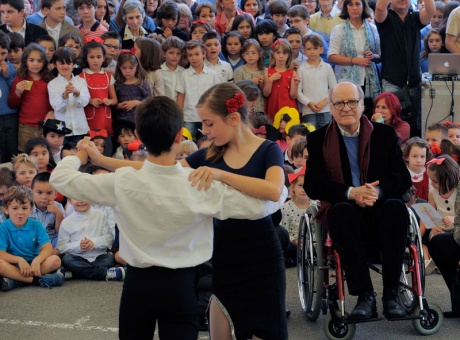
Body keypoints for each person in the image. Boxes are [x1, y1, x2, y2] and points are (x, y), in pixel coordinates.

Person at [49, 95, 287, 339]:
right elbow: (259, 207)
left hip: (138, 284)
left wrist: (80, 156)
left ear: (139, 137)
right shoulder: (199, 184)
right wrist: (281, 193)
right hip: (181, 285)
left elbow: (60, 179)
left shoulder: (122, 181)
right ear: (178, 138)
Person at [183, 82, 288, 339]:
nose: (205, 132)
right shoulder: (208, 153)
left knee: (269, 331)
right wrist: (101, 161)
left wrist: (221, 174)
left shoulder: (268, 149)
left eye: (209, 124)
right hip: (224, 257)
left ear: (232, 118)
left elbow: (273, 190)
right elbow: (162, 173)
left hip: (263, 256)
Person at [304, 81, 412, 320]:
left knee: (395, 207)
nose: (346, 107)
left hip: (380, 207)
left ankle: (392, 293)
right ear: (331, 108)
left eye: (352, 101)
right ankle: (365, 296)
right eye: (339, 103)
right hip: (345, 210)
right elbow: (313, 185)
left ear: (363, 105)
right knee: (341, 210)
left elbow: (402, 178)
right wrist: (351, 192)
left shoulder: (385, 135)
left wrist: (378, 192)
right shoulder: (318, 140)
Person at [375, 0, 435, 137]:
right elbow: (379, 7)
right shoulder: (385, 18)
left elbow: (431, 11)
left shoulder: (415, 18)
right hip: (392, 83)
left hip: (414, 83)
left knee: (416, 128)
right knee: (391, 128)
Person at [0, 185, 63, 291]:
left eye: (24, 208)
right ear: (6, 209)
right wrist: (19, 260)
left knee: (55, 260)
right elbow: (1, 253)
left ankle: (16, 280)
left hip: (35, 264)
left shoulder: (37, 225)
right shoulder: (3, 228)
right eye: (15, 208)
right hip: (14, 265)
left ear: (31, 208)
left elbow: (47, 248)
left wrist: (37, 261)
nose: (20, 213)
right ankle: (36, 280)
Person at [328, 0, 381, 118]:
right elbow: (331, 56)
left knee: (368, 116)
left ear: (363, 7)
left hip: (369, 81)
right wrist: (355, 60)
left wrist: (373, 56)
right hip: (346, 82)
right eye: (350, 4)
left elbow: (379, 55)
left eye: (358, 4)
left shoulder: (372, 28)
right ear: (346, 8)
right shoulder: (339, 29)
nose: (354, 8)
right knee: (350, 115)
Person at [56, 196, 122, 281]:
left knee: (109, 259)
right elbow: (61, 247)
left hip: (98, 256)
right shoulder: (66, 222)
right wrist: (78, 246)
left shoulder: (101, 216)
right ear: (69, 201)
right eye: (76, 197)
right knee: (67, 260)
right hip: (77, 257)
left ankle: (75, 273)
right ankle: (104, 273)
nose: (81, 201)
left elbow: (109, 239)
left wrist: (94, 242)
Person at [428, 155, 460, 318]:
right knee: (437, 244)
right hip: (448, 233)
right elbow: (431, 215)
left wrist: (455, 220)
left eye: (435, 181)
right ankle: (456, 299)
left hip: (457, 231)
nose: (432, 185)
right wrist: (434, 226)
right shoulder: (433, 192)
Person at [8, 43, 54, 153]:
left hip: (46, 126)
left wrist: (52, 111)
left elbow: (55, 102)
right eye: (31, 60)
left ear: (44, 62)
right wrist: (18, 93)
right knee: (26, 155)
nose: (35, 64)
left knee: (45, 155)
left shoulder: (49, 80)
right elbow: (12, 104)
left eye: (39, 61)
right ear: (25, 61)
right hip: (26, 127)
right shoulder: (20, 79)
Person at [176, 39, 219, 140]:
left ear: (204, 54)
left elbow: (216, 95)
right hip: (189, 118)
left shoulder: (212, 74)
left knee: (208, 143)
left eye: (197, 54)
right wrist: (180, 116)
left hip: (208, 117)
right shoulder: (184, 75)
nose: (194, 58)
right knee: (187, 143)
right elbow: (181, 96)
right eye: (190, 55)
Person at [48, 47, 91, 144]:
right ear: (55, 64)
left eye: (68, 63)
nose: (65, 66)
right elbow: (57, 107)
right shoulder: (52, 84)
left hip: (81, 129)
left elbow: (84, 102)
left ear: (74, 64)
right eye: (61, 63)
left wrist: (77, 93)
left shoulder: (80, 81)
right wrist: (65, 96)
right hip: (62, 132)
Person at [298, 33, 336, 129]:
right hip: (308, 111)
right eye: (309, 49)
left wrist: (325, 101)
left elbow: (333, 88)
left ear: (321, 49)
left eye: (315, 48)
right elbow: (298, 91)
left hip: (326, 109)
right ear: (304, 51)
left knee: (326, 136)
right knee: (311, 136)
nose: (312, 52)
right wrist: (309, 103)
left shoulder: (327, 67)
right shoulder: (301, 69)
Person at [263, 38, 300, 122]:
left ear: (288, 55)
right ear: (273, 54)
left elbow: (293, 96)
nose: (281, 56)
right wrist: (270, 80)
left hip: (288, 106)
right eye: (278, 52)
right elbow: (265, 93)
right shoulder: (267, 71)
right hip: (273, 105)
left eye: (284, 53)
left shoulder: (292, 73)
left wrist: (296, 84)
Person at [29, 172, 65, 250]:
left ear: (55, 194)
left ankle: (48, 257)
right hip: (33, 241)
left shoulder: (58, 207)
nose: (44, 197)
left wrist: (58, 214)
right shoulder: (27, 207)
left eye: (49, 193)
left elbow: (61, 231)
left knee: (62, 241)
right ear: (31, 192)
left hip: (51, 241)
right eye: (39, 192)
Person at [0, 31, 18, 164]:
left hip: (11, 116)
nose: (0, 57)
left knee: (12, 151)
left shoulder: (11, 68)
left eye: (3, 53)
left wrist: (7, 75)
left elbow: (16, 92)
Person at [160, 36, 185, 101]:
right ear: (164, 54)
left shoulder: (184, 72)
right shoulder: (159, 71)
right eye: (171, 53)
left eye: (178, 53)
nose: (175, 56)